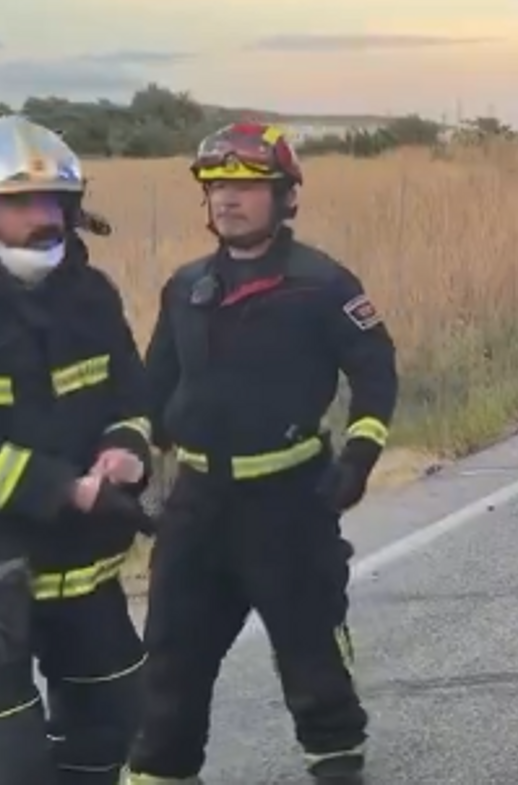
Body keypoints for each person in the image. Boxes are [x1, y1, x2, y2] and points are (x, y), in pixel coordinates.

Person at [123, 123, 397, 785]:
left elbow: (375, 373)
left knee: (312, 660)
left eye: (245, 187)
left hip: (290, 506)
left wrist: (358, 459)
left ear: (284, 198)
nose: (227, 201)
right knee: (170, 663)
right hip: (196, 508)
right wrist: (128, 462)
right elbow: (151, 390)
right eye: (217, 187)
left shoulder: (323, 284)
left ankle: (336, 766)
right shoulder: (186, 287)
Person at [0, 115, 154, 785]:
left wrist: (127, 451)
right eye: (19, 201)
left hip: (83, 572)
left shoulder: (91, 295)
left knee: (116, 733)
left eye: (54, 200)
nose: (44, 216)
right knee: (18, 765)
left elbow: (134, 399)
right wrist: (59, 485)